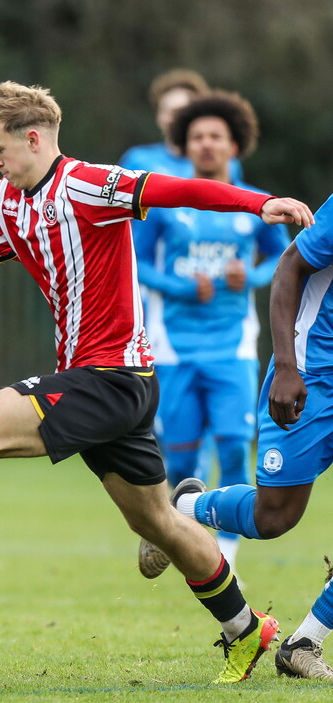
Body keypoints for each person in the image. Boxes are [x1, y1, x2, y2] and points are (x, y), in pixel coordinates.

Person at [0, 81, 314, 684]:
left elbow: (180, 189)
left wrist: (260, 204)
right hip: (107, 383)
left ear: (33, 139)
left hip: (112, 376)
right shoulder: (8, 201)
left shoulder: (88, 184)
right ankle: (245, 629)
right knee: (157, 522)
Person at [140, 195, 333, 680]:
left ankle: (304, 642)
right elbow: (288, 265)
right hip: (315, 375)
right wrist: (287, 366)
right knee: (274, 517)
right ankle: (181, 509)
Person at [133, 91, 289, 579]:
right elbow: (135, 262)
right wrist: (179, 286)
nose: (205, 144)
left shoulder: (256, 203)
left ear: (233, 145)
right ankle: (182, 535)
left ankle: (226, 561)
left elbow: (282, 258)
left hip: (232, 346)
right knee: (180, 461)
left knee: (234, 447)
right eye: (197, 136)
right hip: (173, 348)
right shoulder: (165, 203)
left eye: (215, 136)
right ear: (185, 145)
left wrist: (251, 276)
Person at [120, 69, 242, 485]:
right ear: (159, 116)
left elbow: (240, 223)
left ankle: (198, 502)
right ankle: (177, 494)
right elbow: (129, 240)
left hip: (212, 314)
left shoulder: (221, 162)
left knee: (212, 426)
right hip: (153, 306)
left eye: (184, 109)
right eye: (168, 110)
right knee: (163, 422)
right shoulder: (140, 162)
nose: (176, 116)